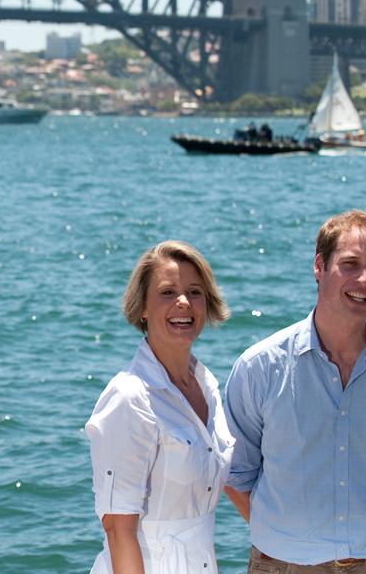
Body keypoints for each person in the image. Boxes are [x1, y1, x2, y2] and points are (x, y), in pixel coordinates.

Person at [223, 210, 366, 573]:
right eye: (351, 264)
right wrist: (288, 542)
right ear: (319, 266)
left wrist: (365, 538)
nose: (364, 279)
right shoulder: (260, 366)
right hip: (280, 566)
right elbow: (235, 475)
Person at [85, 241, 234, 573]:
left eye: (195, 292)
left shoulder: (208, 387)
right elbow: (118, 529)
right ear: (143, 308)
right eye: (167, 293)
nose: (183, 302)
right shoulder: (130, 398)